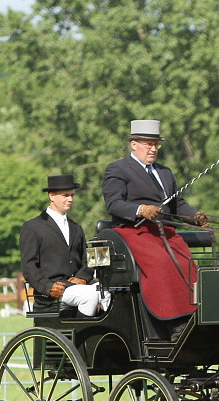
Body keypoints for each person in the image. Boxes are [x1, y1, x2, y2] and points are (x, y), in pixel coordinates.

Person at [101, 119, 208, 334]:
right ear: (133, 144)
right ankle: (170, 320)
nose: (153, 149)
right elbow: (114, 203)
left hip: (165, 232)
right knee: (161, 262)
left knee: (187, 261)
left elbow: (178, 204)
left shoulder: (165, 172)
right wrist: (141, 209)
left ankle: (194, 315)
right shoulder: (118, 169)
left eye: (156, 144)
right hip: (134, 230)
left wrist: (194, 216)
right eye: (148, 144)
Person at [20, 174, 110, 316]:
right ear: (52, 196)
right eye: (66, 195)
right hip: (54, 291)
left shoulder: (76, 228)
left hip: (78, 286)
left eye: (72, 195)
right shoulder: (33, 227)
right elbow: (28, 267)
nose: (70, 199)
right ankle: (84, 336)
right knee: (91, 296)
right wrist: (48, 287)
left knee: (110, 291)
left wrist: (82, 278)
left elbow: (86, 261)